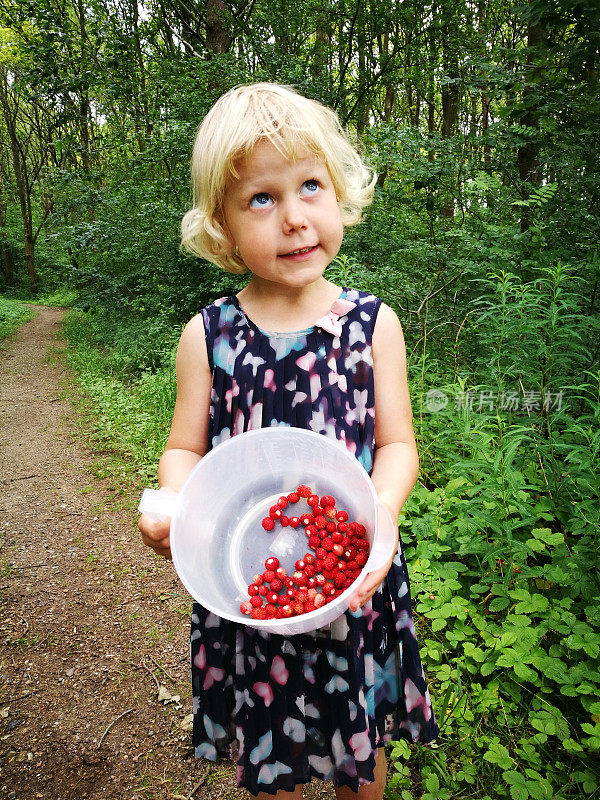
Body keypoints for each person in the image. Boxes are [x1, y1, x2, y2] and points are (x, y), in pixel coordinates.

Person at [138, 82, 438, 799]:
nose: (295, 218)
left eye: (310, 186)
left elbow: (397, 444)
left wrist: (384, 513)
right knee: (272, 766)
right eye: (262, 199)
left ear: (340, 195)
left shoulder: (373, 325)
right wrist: (173, 500)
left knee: (357, 758)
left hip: (351, 579)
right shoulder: (208, 335)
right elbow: (185, 447)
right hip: (251, 582)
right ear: (224, 225)